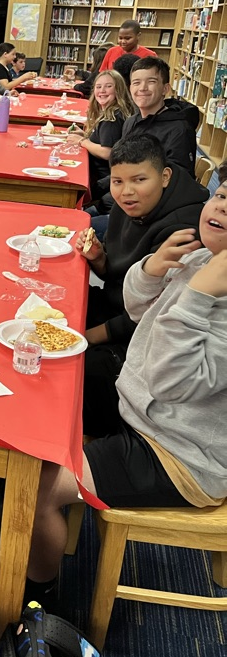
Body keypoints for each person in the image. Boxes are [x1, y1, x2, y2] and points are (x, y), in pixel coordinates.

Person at [13, 164, 227, 620]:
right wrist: (152, 269)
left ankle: (33, 604)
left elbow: (177, 383)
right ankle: (15, 503)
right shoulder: (204, 258)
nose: (222, 206)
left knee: (41, 487)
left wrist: (195, 296)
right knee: (49, 385)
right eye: (222, 194)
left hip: (180, 455)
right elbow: (134, 306)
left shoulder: (213, 283)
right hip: (144, 409)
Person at [75, 135, 208, 438]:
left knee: (86, 368)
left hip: (145, 338)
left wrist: (89, 337)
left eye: (139, 179)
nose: (126, 192)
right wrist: (99, 259)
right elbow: (116, 276)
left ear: (164, 176)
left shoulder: (184, 232)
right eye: (118, 181)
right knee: (57, 306)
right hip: (117, 307)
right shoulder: (131, 204)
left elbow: (155, 317)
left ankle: (94, 442)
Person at [122, 57, 196, 177]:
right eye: (136, 83)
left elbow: (179, 179)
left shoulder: (179, 130)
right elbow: (122, 165)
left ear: (165, 89)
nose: (142, 88)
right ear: (130, 88)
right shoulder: (131, 122)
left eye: (151, 81)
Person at [79, 69, 134, 202]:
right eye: (98, 87)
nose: (102, 90)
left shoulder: (112, 118)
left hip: (103, 182)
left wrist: (82, 141)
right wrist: (85, 136)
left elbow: (107, 152)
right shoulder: (115, 111)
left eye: (108, 86)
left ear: (118, 89)